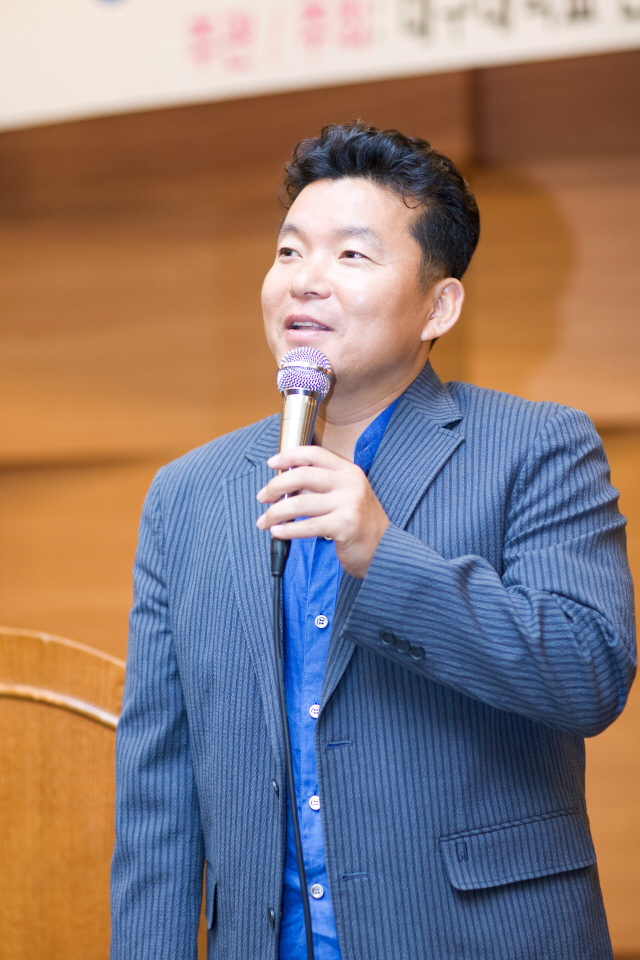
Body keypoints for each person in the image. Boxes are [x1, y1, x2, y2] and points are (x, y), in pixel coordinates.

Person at [110, 121, 636, 960]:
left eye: (351, 255)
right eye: (289, 252)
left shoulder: (536, 446)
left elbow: (588, 672)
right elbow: (157, 790)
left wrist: (382, 554)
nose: (305, 281)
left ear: (439, 305)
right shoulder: (187, 496)